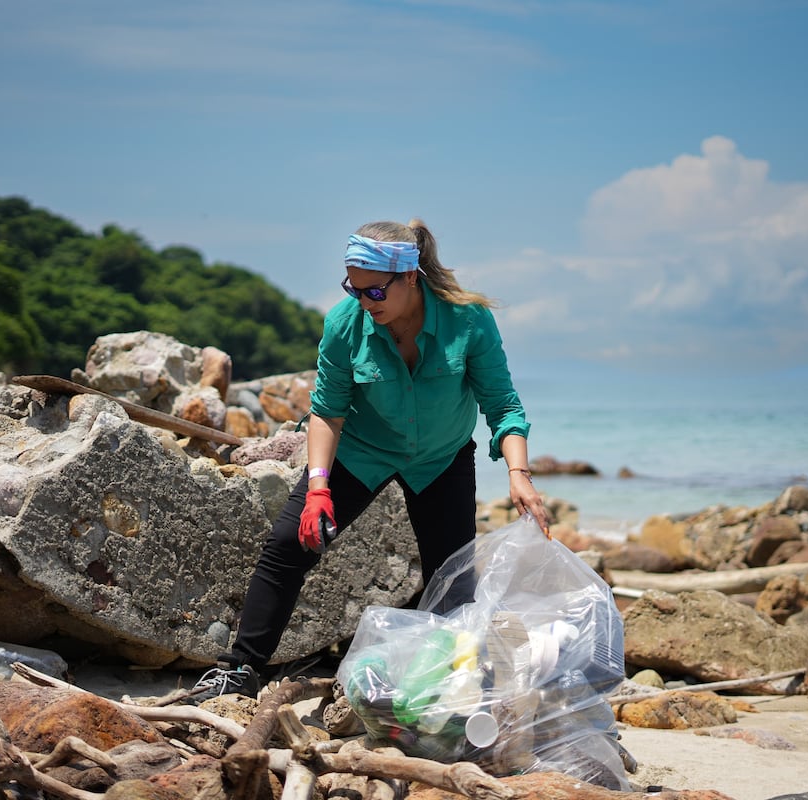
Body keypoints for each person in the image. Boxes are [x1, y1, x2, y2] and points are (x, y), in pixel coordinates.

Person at [187, 218, 549, 701]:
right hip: (362, 450)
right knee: (287, 544)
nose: (364, 302)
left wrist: (518, 475)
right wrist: (318, 487)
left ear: (410, 278)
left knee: (452, 580)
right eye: (354, 290)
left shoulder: (468, 321)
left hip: (440, 457)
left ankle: (453, 687)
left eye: (375, 292)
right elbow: (327, 412)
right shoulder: (345, 323)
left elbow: (502, 405)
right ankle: (240, 669)